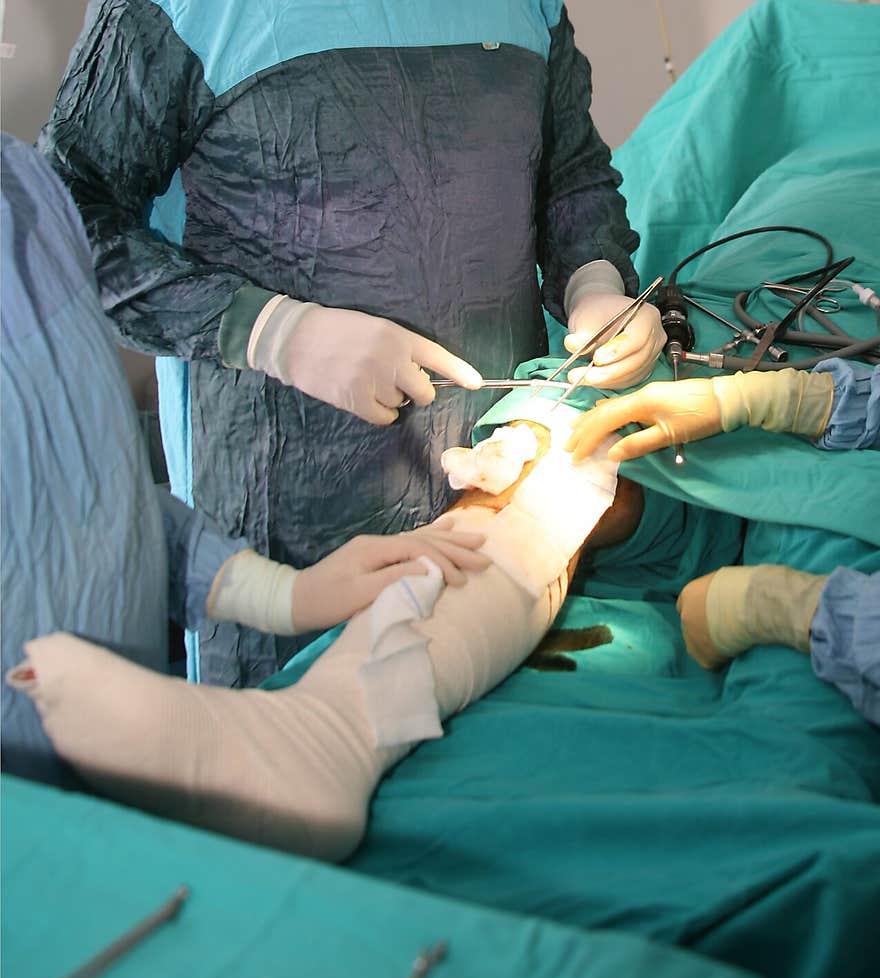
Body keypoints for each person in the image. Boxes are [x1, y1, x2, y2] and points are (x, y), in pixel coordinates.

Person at [38, 0, 663, 687]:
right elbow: (63, 219)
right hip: (287, 514)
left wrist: (594, 278)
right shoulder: (185, 11)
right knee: (298, 750)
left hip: (496, 478)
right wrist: (274, 330)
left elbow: (567, 168)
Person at [0, 134, 491, 786]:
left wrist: (282, 593)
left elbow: (90, 497)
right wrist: (275, 332)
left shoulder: (24, 189)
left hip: (121, 788)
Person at [564, 362, 880, 724]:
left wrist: (796, 608)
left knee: (789, 756)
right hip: (837, 487)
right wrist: (792, 399)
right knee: (600, 421)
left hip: (847, 639)